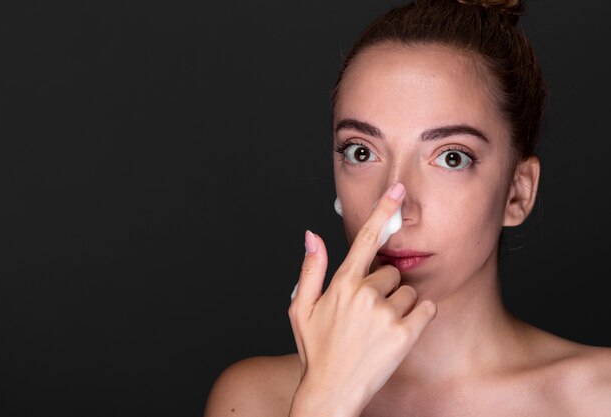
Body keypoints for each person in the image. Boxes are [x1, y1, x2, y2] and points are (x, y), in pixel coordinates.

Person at [204, 0, 611, 415]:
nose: (395, 208)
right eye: (361, 152)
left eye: (452, 157)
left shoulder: (599, 397)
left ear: (517, 193)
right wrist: (323, 402)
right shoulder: (254, 399)